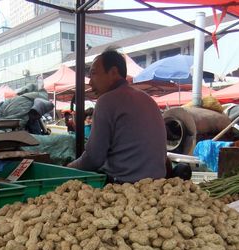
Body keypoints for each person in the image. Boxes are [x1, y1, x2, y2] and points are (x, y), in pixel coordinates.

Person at [67, 48, 167, 183]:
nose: (90, 82)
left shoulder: (106, 101)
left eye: (94, 73)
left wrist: (67, 169)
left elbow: (93, 159)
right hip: (158, 184)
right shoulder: (147, 98)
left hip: (125, 187)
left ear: (113, 72)